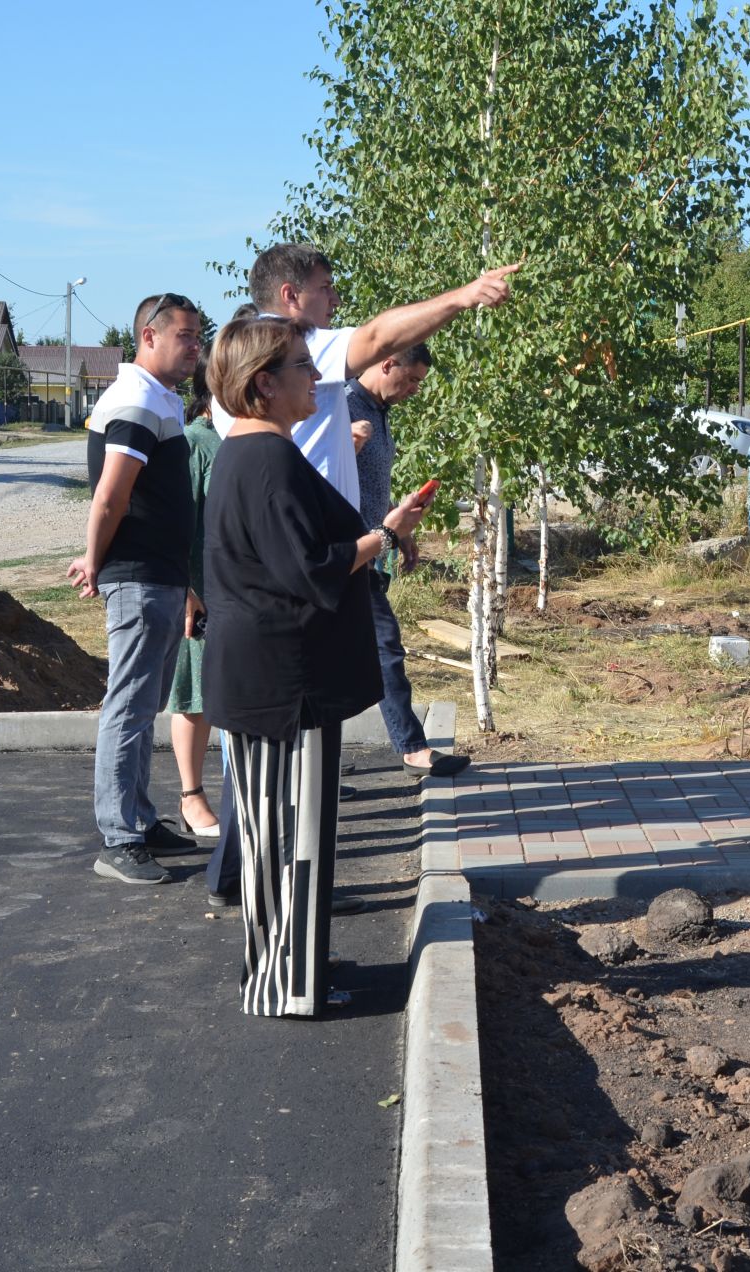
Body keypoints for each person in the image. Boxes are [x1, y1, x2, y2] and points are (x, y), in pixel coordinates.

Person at [202, 244, 517, 907]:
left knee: (277, 780)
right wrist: (463, 295)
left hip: (289, 597)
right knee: (282, 779)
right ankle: (274, 912)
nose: (334, 303)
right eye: (324, 289)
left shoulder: (259, 403)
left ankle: (251, 881)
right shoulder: (281, 374)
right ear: (290, 297)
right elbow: (378, 337)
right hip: (290, 612)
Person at [201, 315, 429, 1016]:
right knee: (281, 839)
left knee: (288, 835)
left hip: (283, 680)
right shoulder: (263, 458)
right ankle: (284, 986)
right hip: (280, 686)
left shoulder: (265, 449)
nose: (318, 377)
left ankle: (290, 970)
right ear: (262, 384)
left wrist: (380, 531)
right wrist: (385, 535)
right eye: (303, 365)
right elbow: (309, 568)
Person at [68, 293, 204, 885]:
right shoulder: (134, 399)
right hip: (139, 578)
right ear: (149, 336)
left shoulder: (156, 397)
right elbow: (111, 495)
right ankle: (119, 839)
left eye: (199, 337)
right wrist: (96, 562)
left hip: (162, 576)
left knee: (143, 705)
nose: (196, 348)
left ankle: (141, 822)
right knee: (127, 707)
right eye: (186, 336)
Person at [348, 344, 470, 778]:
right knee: (384, 648)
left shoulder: (378, 412)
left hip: (371, 550)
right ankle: (412, 748)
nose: (416, 390)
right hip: (342, 556)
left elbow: (370, 484)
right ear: (386, 364)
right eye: (412, 379)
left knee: (376, 651)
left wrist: (403, 531)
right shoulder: (344, 404)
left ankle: (318, 769)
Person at [166, 360, 223, 837]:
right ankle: (191, 795)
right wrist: (186, 591)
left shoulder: (241, 436)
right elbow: (180, 523)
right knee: (196, 694)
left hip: (238, 591)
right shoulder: (196, 441)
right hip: (202, 593)